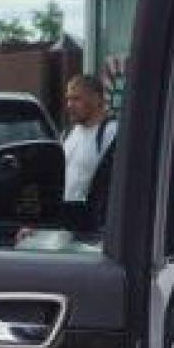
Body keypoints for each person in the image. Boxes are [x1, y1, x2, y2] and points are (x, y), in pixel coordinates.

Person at [60, 74, 116, 231]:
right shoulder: (67, 133)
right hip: (65, 218)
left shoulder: (111, 132)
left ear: (97, 99)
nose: (69, 105)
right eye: (68, 99)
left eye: (76, 99)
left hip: (93, 223)